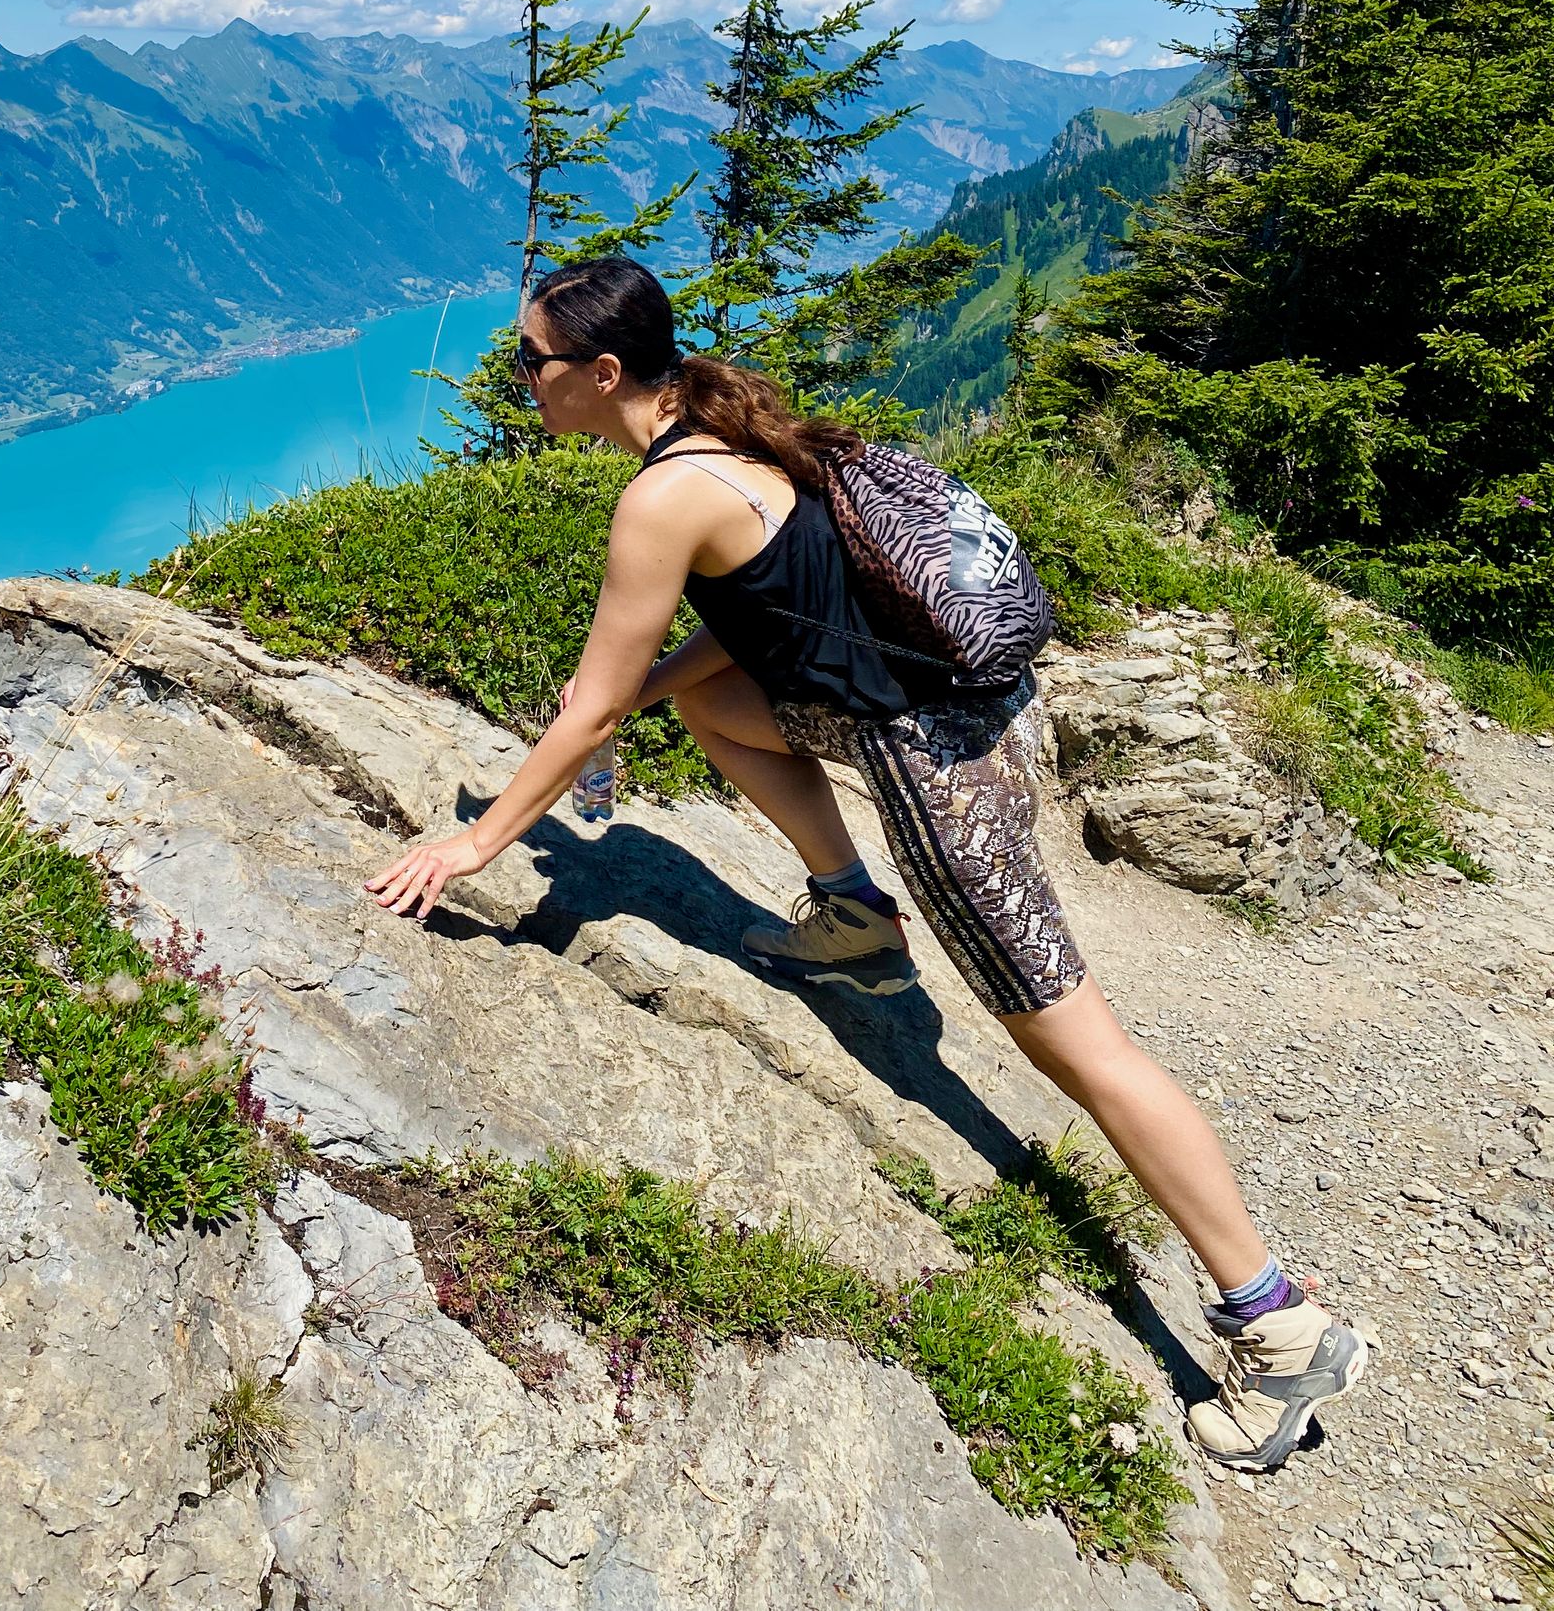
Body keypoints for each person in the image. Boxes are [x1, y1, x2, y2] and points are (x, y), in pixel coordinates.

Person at [366, 256, 1367, 1474]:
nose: (522, 380)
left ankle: (1276, 1321)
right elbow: (754, 629)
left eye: (533, 363)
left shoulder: (659, 499)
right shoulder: (723, 427)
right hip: (946, 713)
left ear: (602, 373)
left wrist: (477, 840)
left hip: (937, 764)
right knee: (715, 709)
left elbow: (586, 698)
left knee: (1080, 1050)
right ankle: (850, 913)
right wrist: (634, 703)